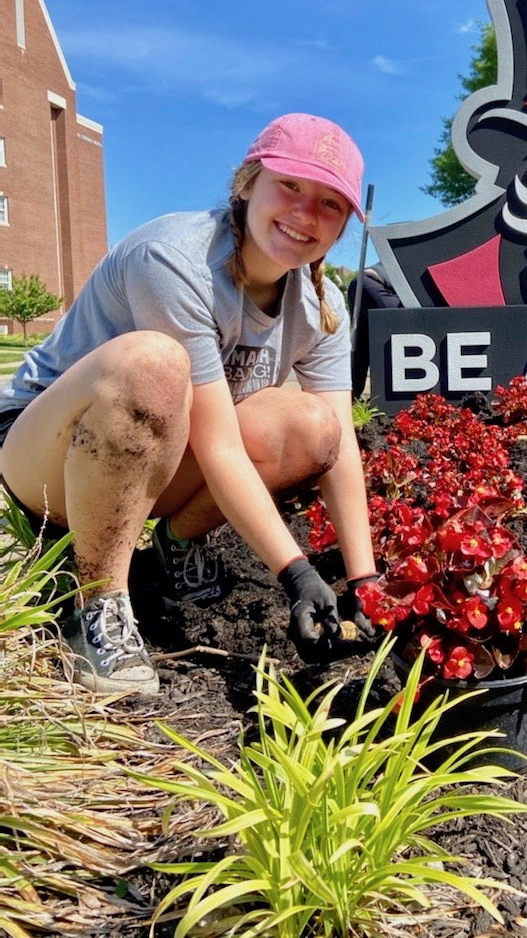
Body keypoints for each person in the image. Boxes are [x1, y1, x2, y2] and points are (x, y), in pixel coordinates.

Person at [0, 113, 379, 696]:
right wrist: (297, 573)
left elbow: (342, 448)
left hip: (155, 456)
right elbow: (220, 445)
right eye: (291, 186)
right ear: (248, 182)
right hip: (41, 455)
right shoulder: (176, 259)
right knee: (153, 364)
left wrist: (364, 581)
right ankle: (97, 602)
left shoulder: (321, 303)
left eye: (330, 204)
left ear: (345, 226)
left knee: (313, 426)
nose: (306, 214)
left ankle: (175, 544)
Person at [347, 262, 401, 399]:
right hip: (371, 284)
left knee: (361, 345)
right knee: (406, 322)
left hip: (360, 284)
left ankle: (351, 396)